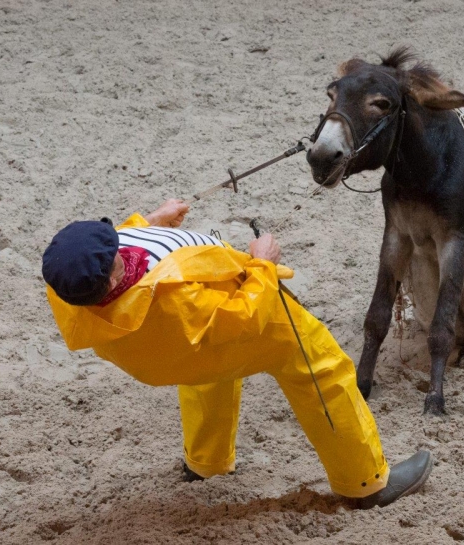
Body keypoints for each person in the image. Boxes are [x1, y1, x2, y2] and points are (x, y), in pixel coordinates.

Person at [42, 199, 432, 508]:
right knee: (320, 367)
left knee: (204, 371)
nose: (118, 245)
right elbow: (246, 317)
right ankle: (364, 482)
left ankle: (205, 463)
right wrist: (263, 263)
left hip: (174, 354)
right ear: (112, 278)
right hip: (234, 325)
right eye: (114, 253)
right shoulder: (175, 306)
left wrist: (149, 222)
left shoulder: (70, 288)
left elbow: (111, 247)